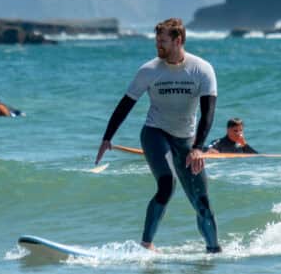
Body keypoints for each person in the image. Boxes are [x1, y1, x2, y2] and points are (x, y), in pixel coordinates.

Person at [95, 18, 222, 253]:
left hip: (187, 140)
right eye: (157, 41)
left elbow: (208, 113)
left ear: (178, 40)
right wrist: (107, 138)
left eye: (163, 41)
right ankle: (146, 244)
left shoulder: (202, 69)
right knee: (166, 183)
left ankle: (213, 251)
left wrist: (198, 148)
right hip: (155, 133)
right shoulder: (149, 70)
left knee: (201, 202)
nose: (158, 46)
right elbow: (125, 105)